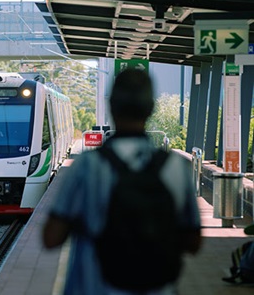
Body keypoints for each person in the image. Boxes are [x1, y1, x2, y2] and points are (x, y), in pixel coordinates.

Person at [42, 68, 202, 294]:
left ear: (111, 108)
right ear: (150, 109)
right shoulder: (175, 167)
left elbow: (51, 238)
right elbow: (194, 242)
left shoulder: (87, 166)